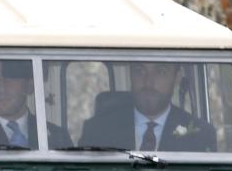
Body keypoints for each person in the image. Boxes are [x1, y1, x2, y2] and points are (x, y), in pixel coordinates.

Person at [79, 61, 216, 152]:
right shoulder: (97, 131)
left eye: (161, 71)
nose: (149, 82)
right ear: (130, 73)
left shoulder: (201, 134)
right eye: (140, 70)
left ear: (177, 77)